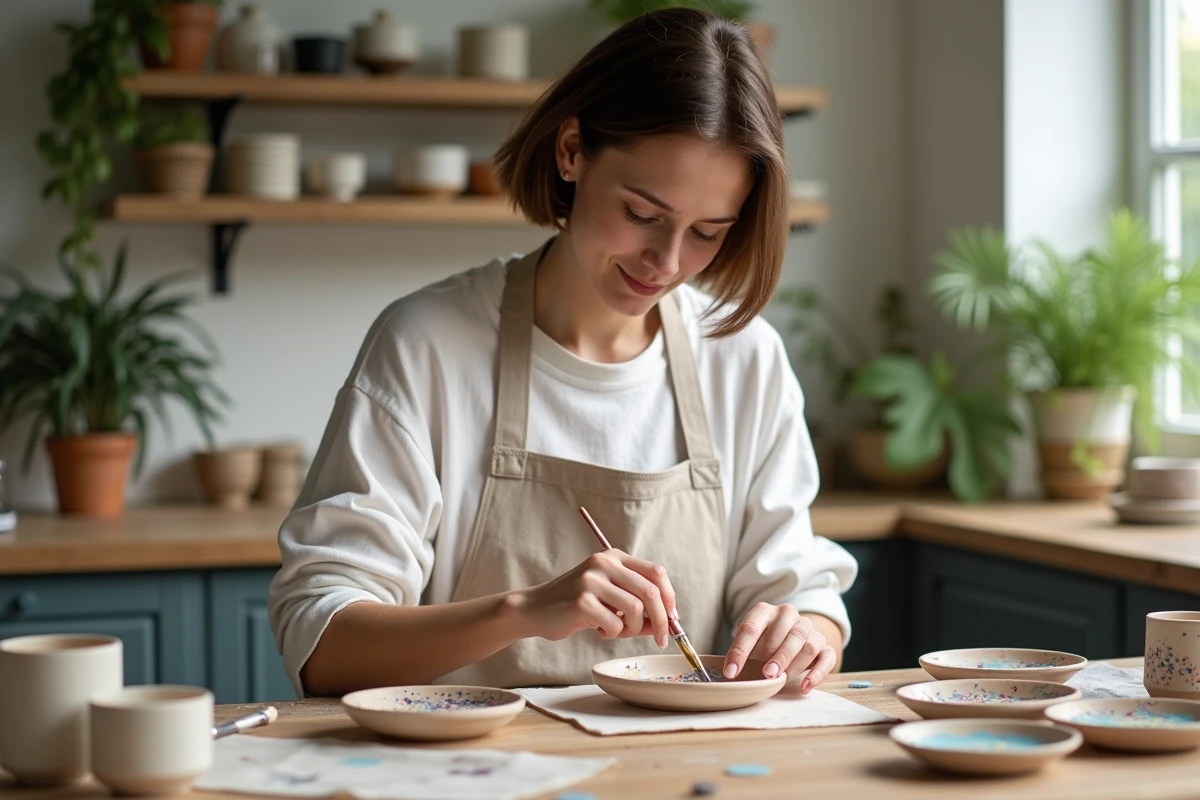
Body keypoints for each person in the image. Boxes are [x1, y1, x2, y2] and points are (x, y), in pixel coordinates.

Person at [268, 7, 858, 698]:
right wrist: (524, 611)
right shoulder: (428, 346)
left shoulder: (744, 359)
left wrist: (809, 633)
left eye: (708, 231)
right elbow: (321, 645)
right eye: (643, 214)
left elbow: (805, 591)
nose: (666, 261)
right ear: (572, 150)